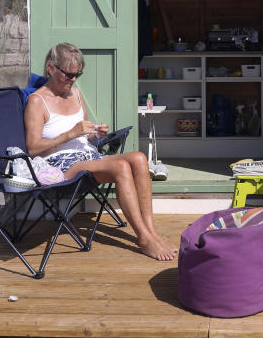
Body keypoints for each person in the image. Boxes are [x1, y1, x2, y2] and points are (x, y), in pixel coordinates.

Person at [24, 42, 177, 261]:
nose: (73, 80)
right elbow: (33, 148)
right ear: (51, 68)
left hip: (87, 156)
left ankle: (151, 231)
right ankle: (143, 238)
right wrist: (70, 134)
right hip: (60, 164)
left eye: (77, 75)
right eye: (68, 74)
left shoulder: (75, 95)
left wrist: (95, 134)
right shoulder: (37, 102)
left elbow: (84, 136)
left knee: (139, 158)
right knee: (121, 166)